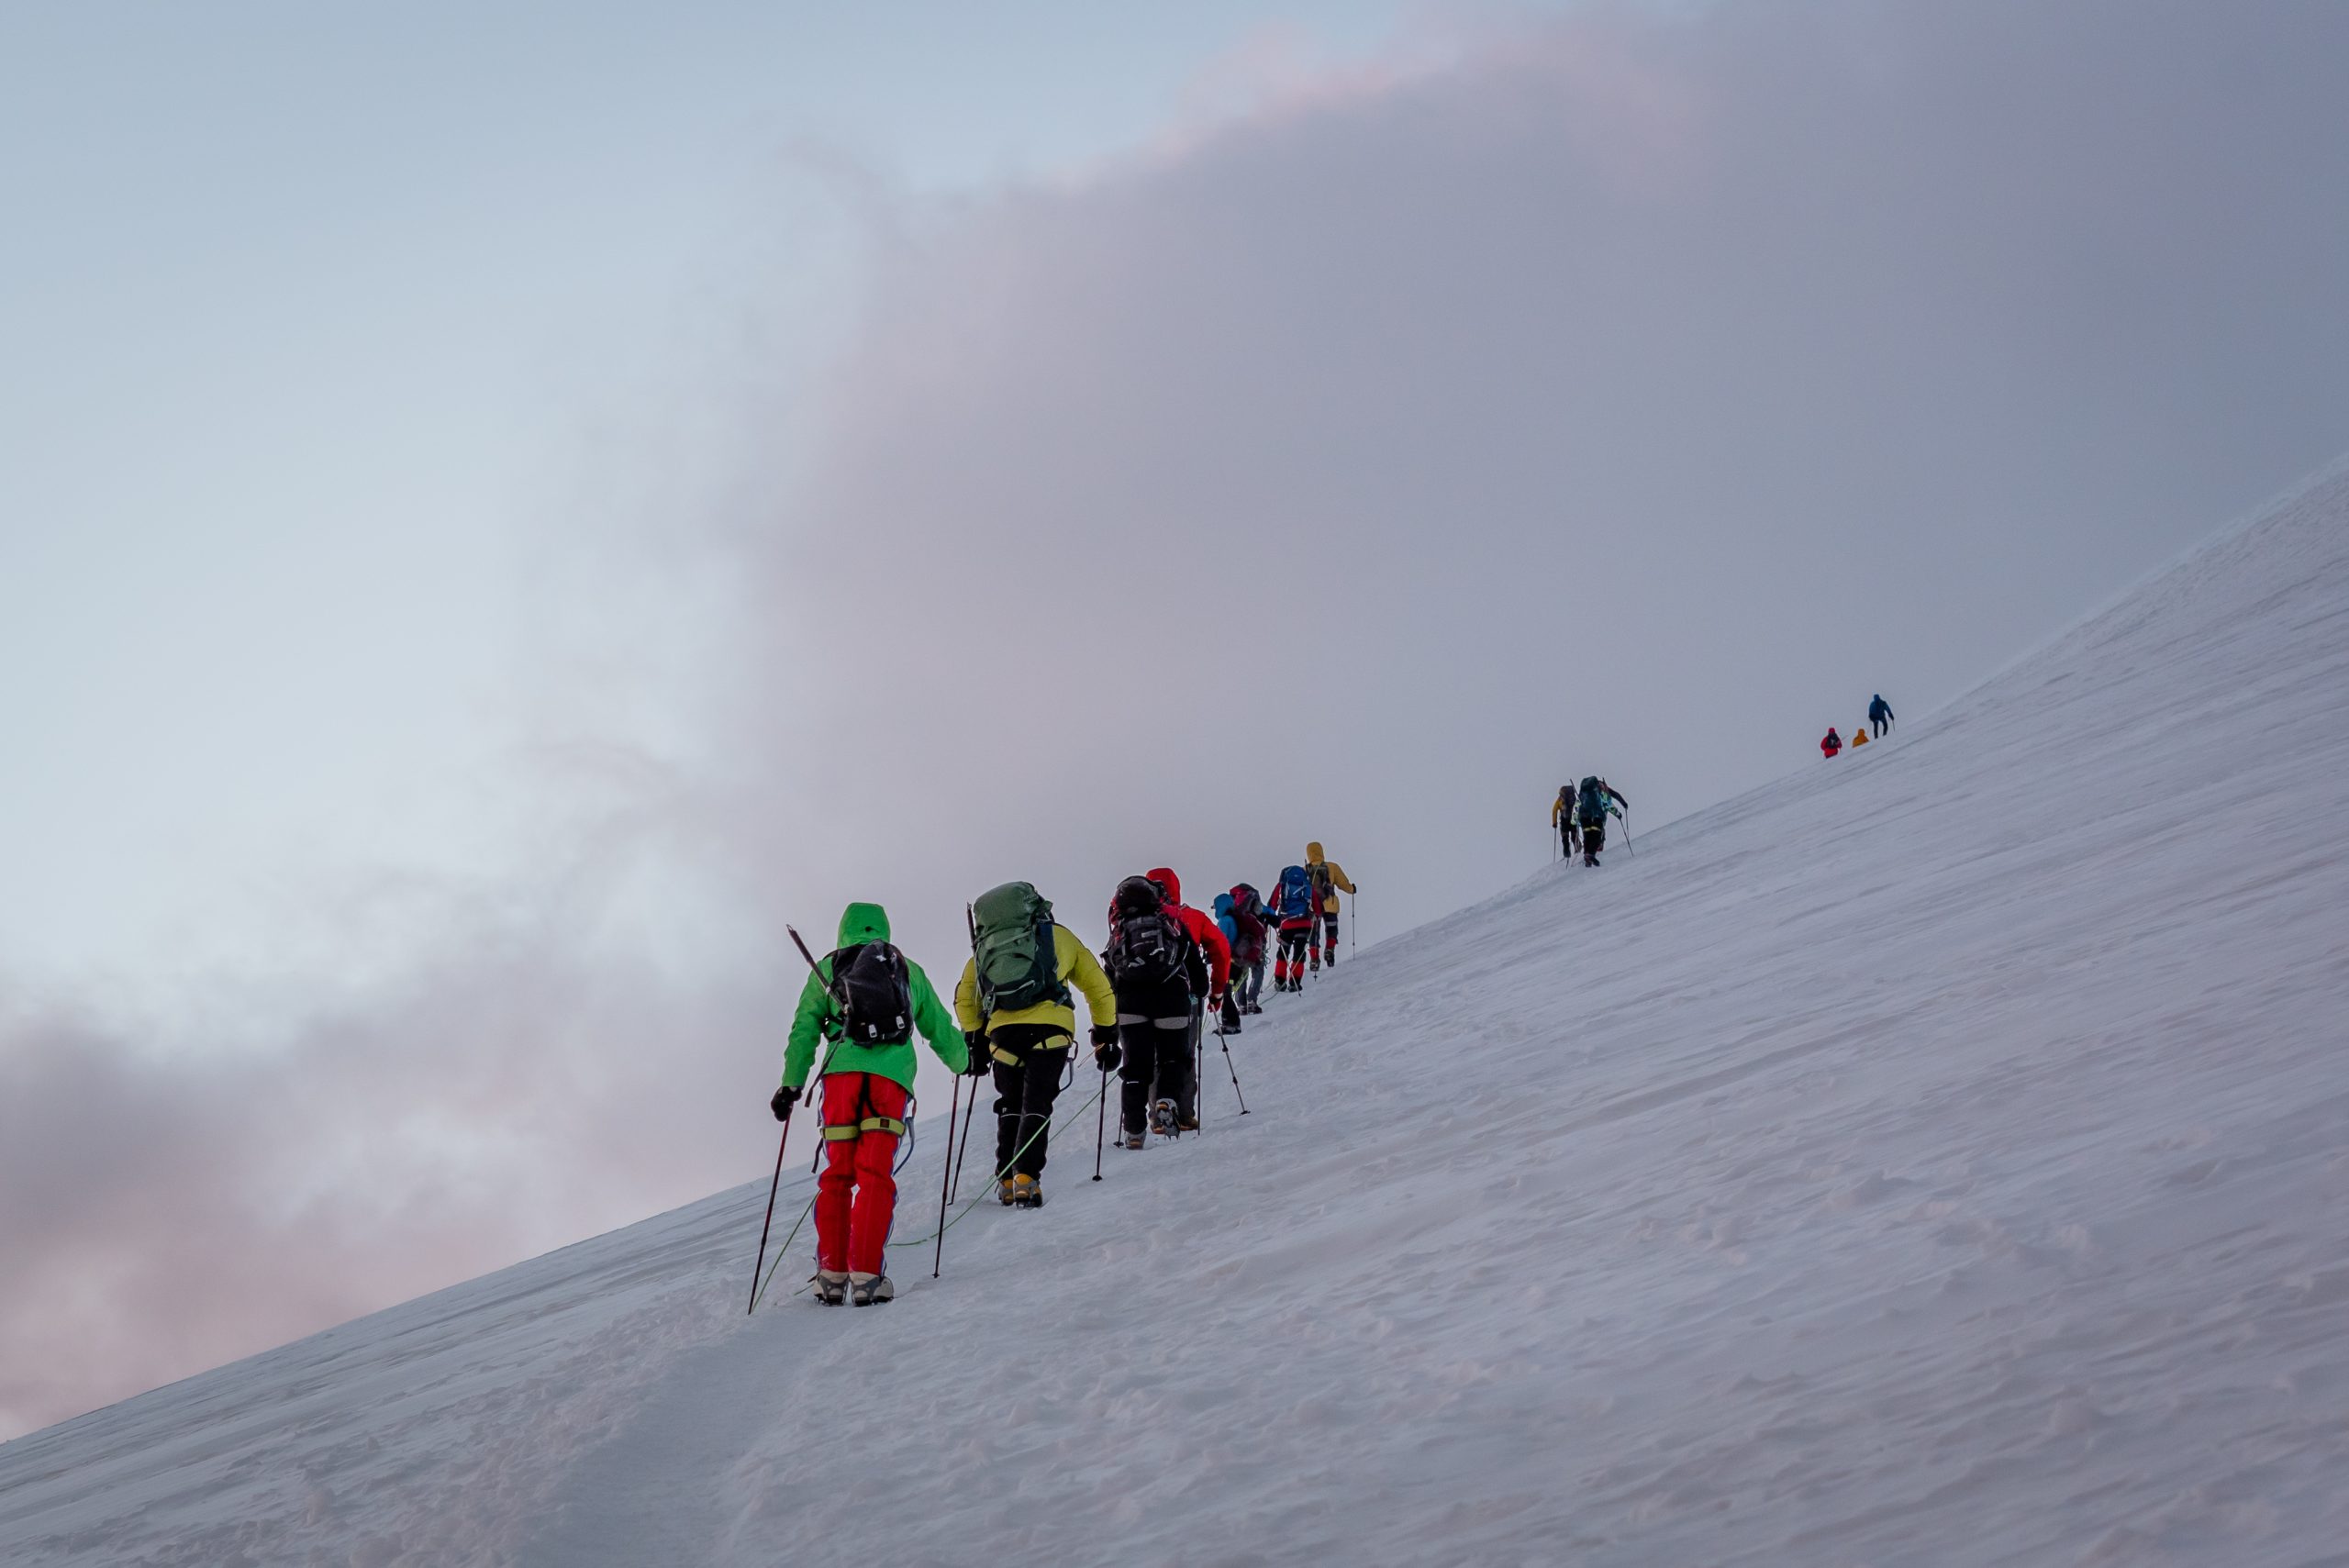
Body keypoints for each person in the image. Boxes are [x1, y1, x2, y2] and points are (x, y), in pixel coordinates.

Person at [776, 902, 968, 1307]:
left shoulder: (827, 969)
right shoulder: (905, 968)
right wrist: (964, 1061)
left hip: (841, 1079)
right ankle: (866, 1276)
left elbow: (803, 1030)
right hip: (890, 1082)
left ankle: (830, 1275)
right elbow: (936, 1024)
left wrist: (791, 1085)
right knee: (875, 1175)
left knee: (837, 1175)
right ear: (884, 929)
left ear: (843, 929)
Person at [954, 881, 1118, 1211]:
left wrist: (975, 1039)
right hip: (1051, 1029)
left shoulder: (985, 946)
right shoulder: (1058, 936)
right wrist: (1105, 1033)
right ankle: (1026, 1177)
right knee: (1037, 1103)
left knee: (1010, 1101)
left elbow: (965, 997)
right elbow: (1098, 986)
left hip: (1003, 1034)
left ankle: (1005, 1178)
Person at [1104, 870, 1229, 1144]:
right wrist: (1208, 991)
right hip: (1172, 999)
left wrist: (1110, 1015)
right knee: (1175, 1057)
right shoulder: (1177, 921)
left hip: (1130, 1005)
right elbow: (1204, 958)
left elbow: (1109, 971)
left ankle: (1135, 1131)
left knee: (1136, 1067)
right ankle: (1169, 1102)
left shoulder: (1121, 928)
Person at [1267, 863, 1318, 992]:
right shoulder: (1307, 885)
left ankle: (1280, 981)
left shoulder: (1282, 885)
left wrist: (1271, 920)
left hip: (1286, 924)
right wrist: (1316, 915)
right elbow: (1317, 906)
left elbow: (1272, 905)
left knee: (1283, 951)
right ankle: (1295, 982)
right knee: (1299, 952)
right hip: (1304, 924)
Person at [1222, 883, 1270, 1017]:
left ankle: (1241, 1004)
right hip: (1254, 945)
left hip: (1237, 947)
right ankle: (1252, 1001)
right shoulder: (1254, 903)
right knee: (1258, 970)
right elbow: (1267, 916)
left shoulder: (1232, 908)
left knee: (1241, 972)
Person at [1305, 842, 1356, 967]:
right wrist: (1352, 889)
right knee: (1331, 929)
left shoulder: (1305, 869)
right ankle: (1329, 950)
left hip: (1313, 907)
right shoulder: (1332, 867)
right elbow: (1343, 884)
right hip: (1330, 904)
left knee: (1313, 933)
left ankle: (1314, 959)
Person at [1575, 775, 1628, 867]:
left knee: (1588, 837)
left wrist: (1575, 821)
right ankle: (1590, 855)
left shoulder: (1584, 793)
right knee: (1597, 838)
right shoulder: (1601, 792)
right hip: (1597, 817)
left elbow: (1576, 806)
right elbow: (1608, 805)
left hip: (1584, 818)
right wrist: (1618, 814)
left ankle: (1587, 858)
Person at [1552, 784, 1581, 861]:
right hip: (1573, 819)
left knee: (1565, 837)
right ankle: (1578, 849)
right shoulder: (1573, 798)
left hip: (1564, 821)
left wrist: (1554, 823)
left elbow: (1554, 810)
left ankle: (1566, 854)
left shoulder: (1560, 800)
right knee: (1575, 835)